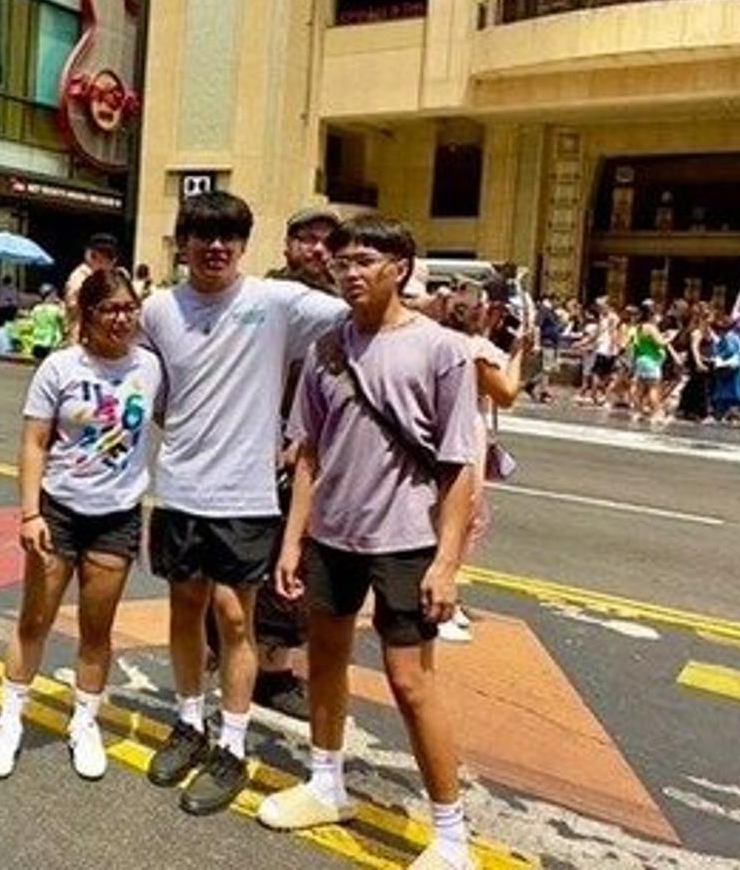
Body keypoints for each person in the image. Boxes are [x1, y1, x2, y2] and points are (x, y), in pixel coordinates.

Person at [259, 214, 482, 870]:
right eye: (342, 262)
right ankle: (326, 781)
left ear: (400, 268)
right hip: (333, 534)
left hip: (407, 541)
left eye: (365, 260)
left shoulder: (441, 349)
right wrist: (292, 541)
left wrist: (447, 562)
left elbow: (460, 464)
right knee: (324, 658)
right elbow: (307, 454)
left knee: (411, 681)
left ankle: (450, 837)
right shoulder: (327, 347)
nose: (351, 272)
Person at [139, 191, 348, 817]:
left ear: (245, 245)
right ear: (183, 242)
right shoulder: (158, 309)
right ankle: (188, 722)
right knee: (184, 611)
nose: (216, 247)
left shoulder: (275, 303)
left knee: (235, 620)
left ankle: (230, 744)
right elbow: (137, 382)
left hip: (245, 495)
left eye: (229, 236)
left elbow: (362, 313)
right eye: (203, 235)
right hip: (177, 488)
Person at [0, 269, 162, 781]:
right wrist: (30, 512)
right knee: (34, 620)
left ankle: (84, 722)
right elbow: (34, 443)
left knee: (96, 629)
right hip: (59, 511)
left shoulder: (149, 368)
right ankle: (10, 718)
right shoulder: (60, 368)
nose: (121, 318)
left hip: (118, 516)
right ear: (87, 315)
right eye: (110, 309)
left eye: (129, 308)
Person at [248, 204, 343, 720]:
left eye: (328, 242)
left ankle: (275, 666)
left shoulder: (352, 303)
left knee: (300, 563)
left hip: (328, 457)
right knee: (255, 555)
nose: (317, 250)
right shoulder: (266, 298)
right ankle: (257, 661)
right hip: (265, 451)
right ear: (287, 246)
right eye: (306, 239)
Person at [434, 287, 521, 645]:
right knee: (465, 519)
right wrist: (518, 354)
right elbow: (507, 393)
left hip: (441, 430)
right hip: (466, 433)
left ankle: (443, 595)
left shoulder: (435, 340)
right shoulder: (476, 351)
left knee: (452, 517)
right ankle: (440, 597)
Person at [64, 232, 119, 341]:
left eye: (110, 257)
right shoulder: (80, 278)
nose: (109, 262)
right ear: (89, 255)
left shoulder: (111, 276)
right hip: (84, 340)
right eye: (102, 256)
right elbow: (77, 308)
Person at [709, 314, 740, 424]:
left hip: (734, 370)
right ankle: (738, 418)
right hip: (735, 369)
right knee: (736, 397)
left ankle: (722, 417)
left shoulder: (729, 338)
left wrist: (718, 360)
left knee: (732, 396)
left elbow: (733, 354)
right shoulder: (734, 337)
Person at [630, 302, 669, 426]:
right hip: (651, 360)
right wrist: (669, 337)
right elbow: (660, 342)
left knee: (640, 388)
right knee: (653, 388)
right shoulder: (651, 327)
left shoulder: (638, 327)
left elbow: (634, 346)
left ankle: (637, 412)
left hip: (641, 359)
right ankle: (656, 413)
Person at [27, 286, 66, 360]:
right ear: (50, 295)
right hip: (51, 343)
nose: (55, 296)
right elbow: (65, 321)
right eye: (54, 294)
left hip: (37, 341)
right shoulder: (55, 310)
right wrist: (61, 304)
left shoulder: (36, 309)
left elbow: (31, 324)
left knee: (39, 368)